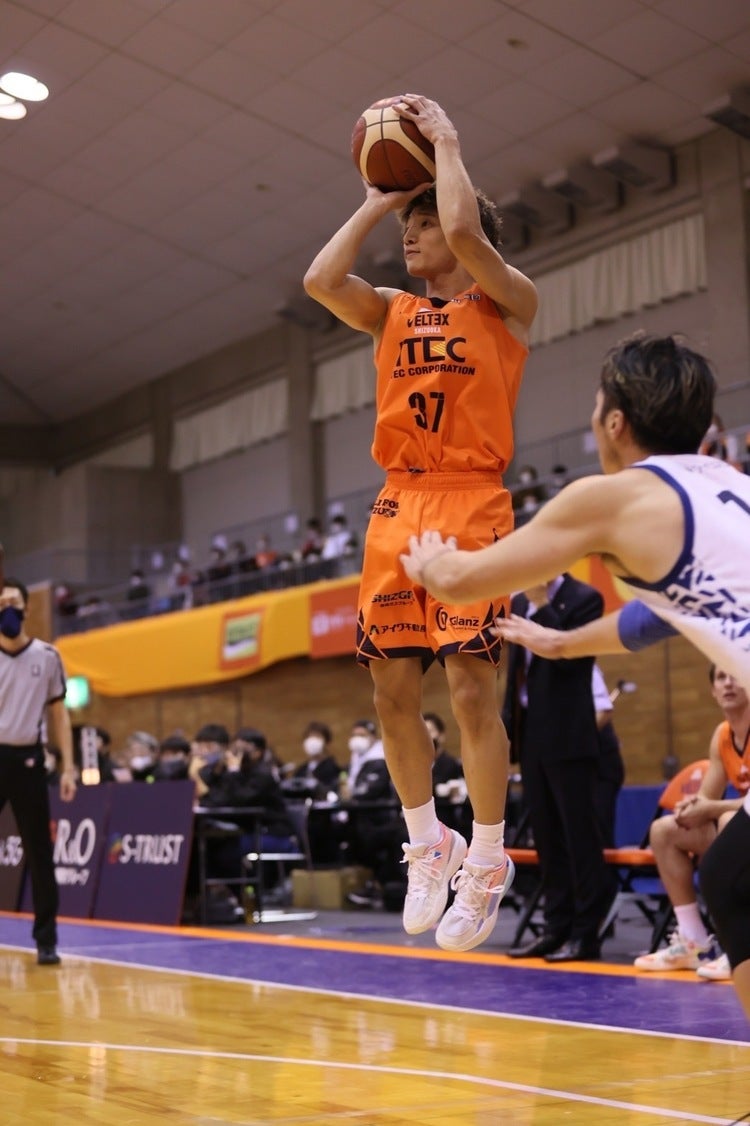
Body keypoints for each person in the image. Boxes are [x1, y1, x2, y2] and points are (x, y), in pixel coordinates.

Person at [400, 332, 750, 1014]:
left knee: (737, 878)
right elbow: (659, 617)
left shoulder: (614, 498)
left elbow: (466, 581)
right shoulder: (730, 487)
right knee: (733, 876)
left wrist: (431, 563)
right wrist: (560, 644)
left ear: (614, 422)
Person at [304, 93, 538, 952]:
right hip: (399, 503)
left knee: (471, 688)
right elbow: (319, 281)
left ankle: (488, 857)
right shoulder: (391, 310)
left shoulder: (508, 302)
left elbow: (470, 235)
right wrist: (379, 197)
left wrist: (445, 146)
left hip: (471, 500)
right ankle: (427, 841)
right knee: (390, 692)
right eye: (410, 224)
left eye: (424, 222)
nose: (414, 235)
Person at [501, 578, 617, 962]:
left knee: (580, 839)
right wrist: (508, 733)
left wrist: (543, 605)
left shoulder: (585, 599)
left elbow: (571, 658)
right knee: (547, 840)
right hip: (532, 735)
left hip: (570, 735)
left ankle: (586, 934)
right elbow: (516, 676)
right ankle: (555, 928)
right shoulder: (518, 602)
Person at [633, 665, 748, 982]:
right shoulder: (722, 735)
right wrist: (690, 807)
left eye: (735, 676)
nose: (728, 684)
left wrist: (712, 807)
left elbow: (718, 807)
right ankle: (692, 940)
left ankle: (742, 948)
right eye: (721, 678)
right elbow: (706, 798)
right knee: (664, 830)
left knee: (729, 821)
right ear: (712, 691)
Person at [0, 576, 77, 965]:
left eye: (14, 602)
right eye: (1, 603)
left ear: (27, 608)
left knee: (39, 852)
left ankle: (46, 940)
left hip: (29, 759)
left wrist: (69, 767)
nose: (8, 609)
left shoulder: (47, 656)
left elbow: (60, 714)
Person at [592, 663, 626, 849]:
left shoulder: (588, 670)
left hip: (603, 768)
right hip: (584, 770)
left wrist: (575, 742)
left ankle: (606, 868)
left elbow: (604, 711)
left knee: (599, 831)